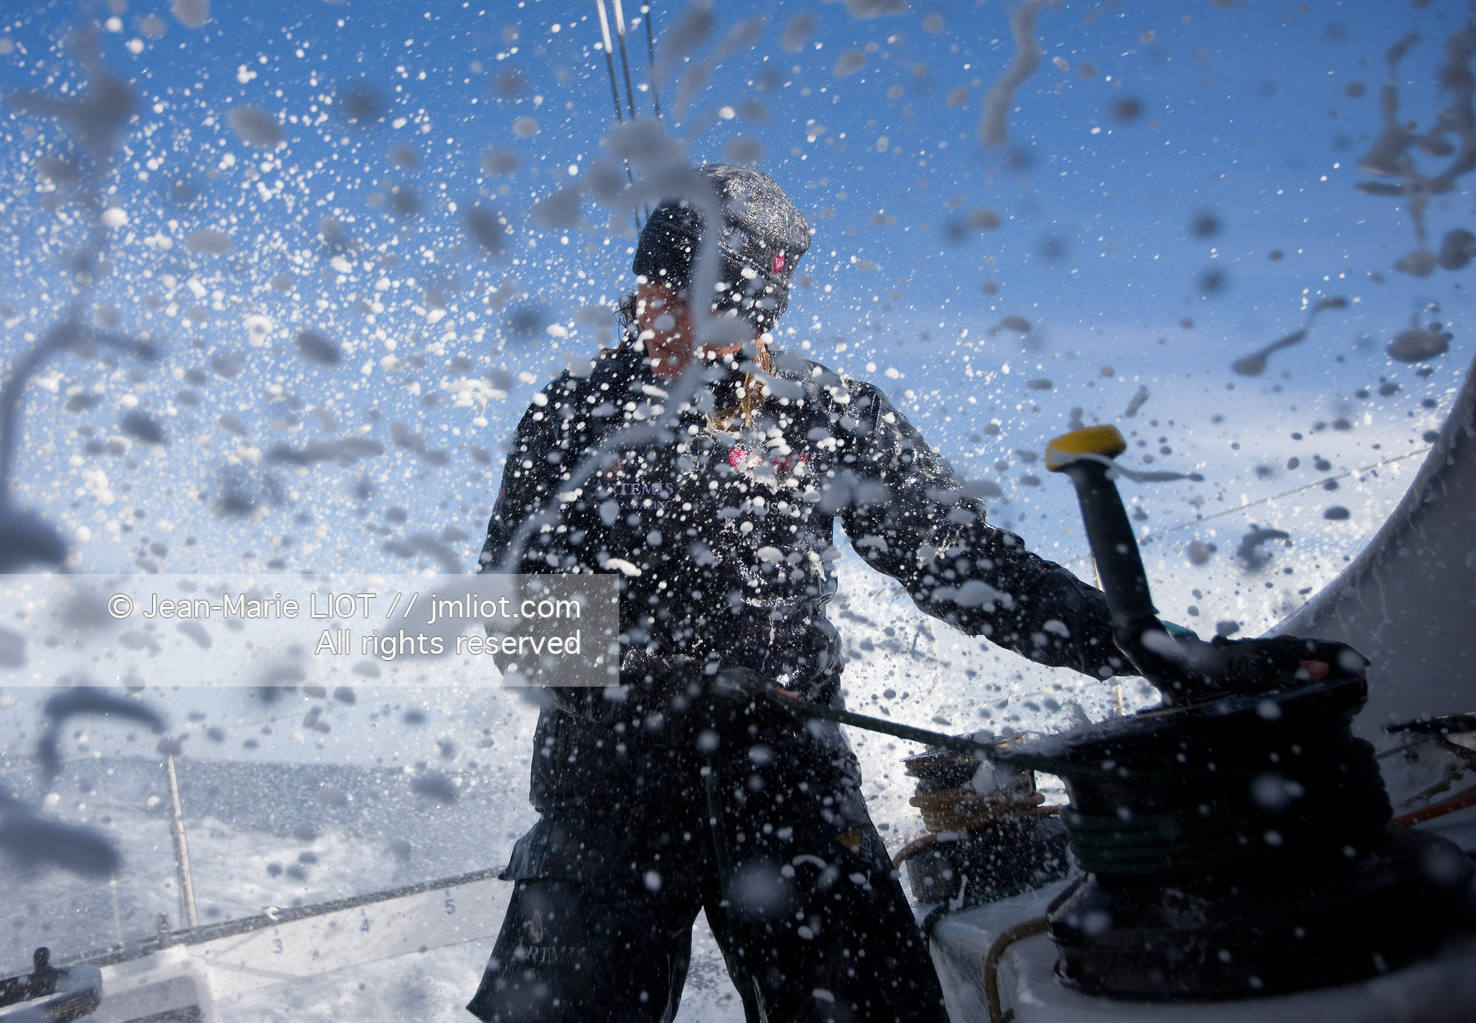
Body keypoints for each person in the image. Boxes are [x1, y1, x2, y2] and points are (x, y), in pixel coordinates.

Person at [467, 165, 1129, 1023]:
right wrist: (656, 683)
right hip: (605, 789)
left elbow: (962, 563)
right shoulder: (571, 415)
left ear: (755, 312)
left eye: (693, 303)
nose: (656, 320)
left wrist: (1132, 641)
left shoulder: (829, 414)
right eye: (651, 291)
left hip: (791, 786)